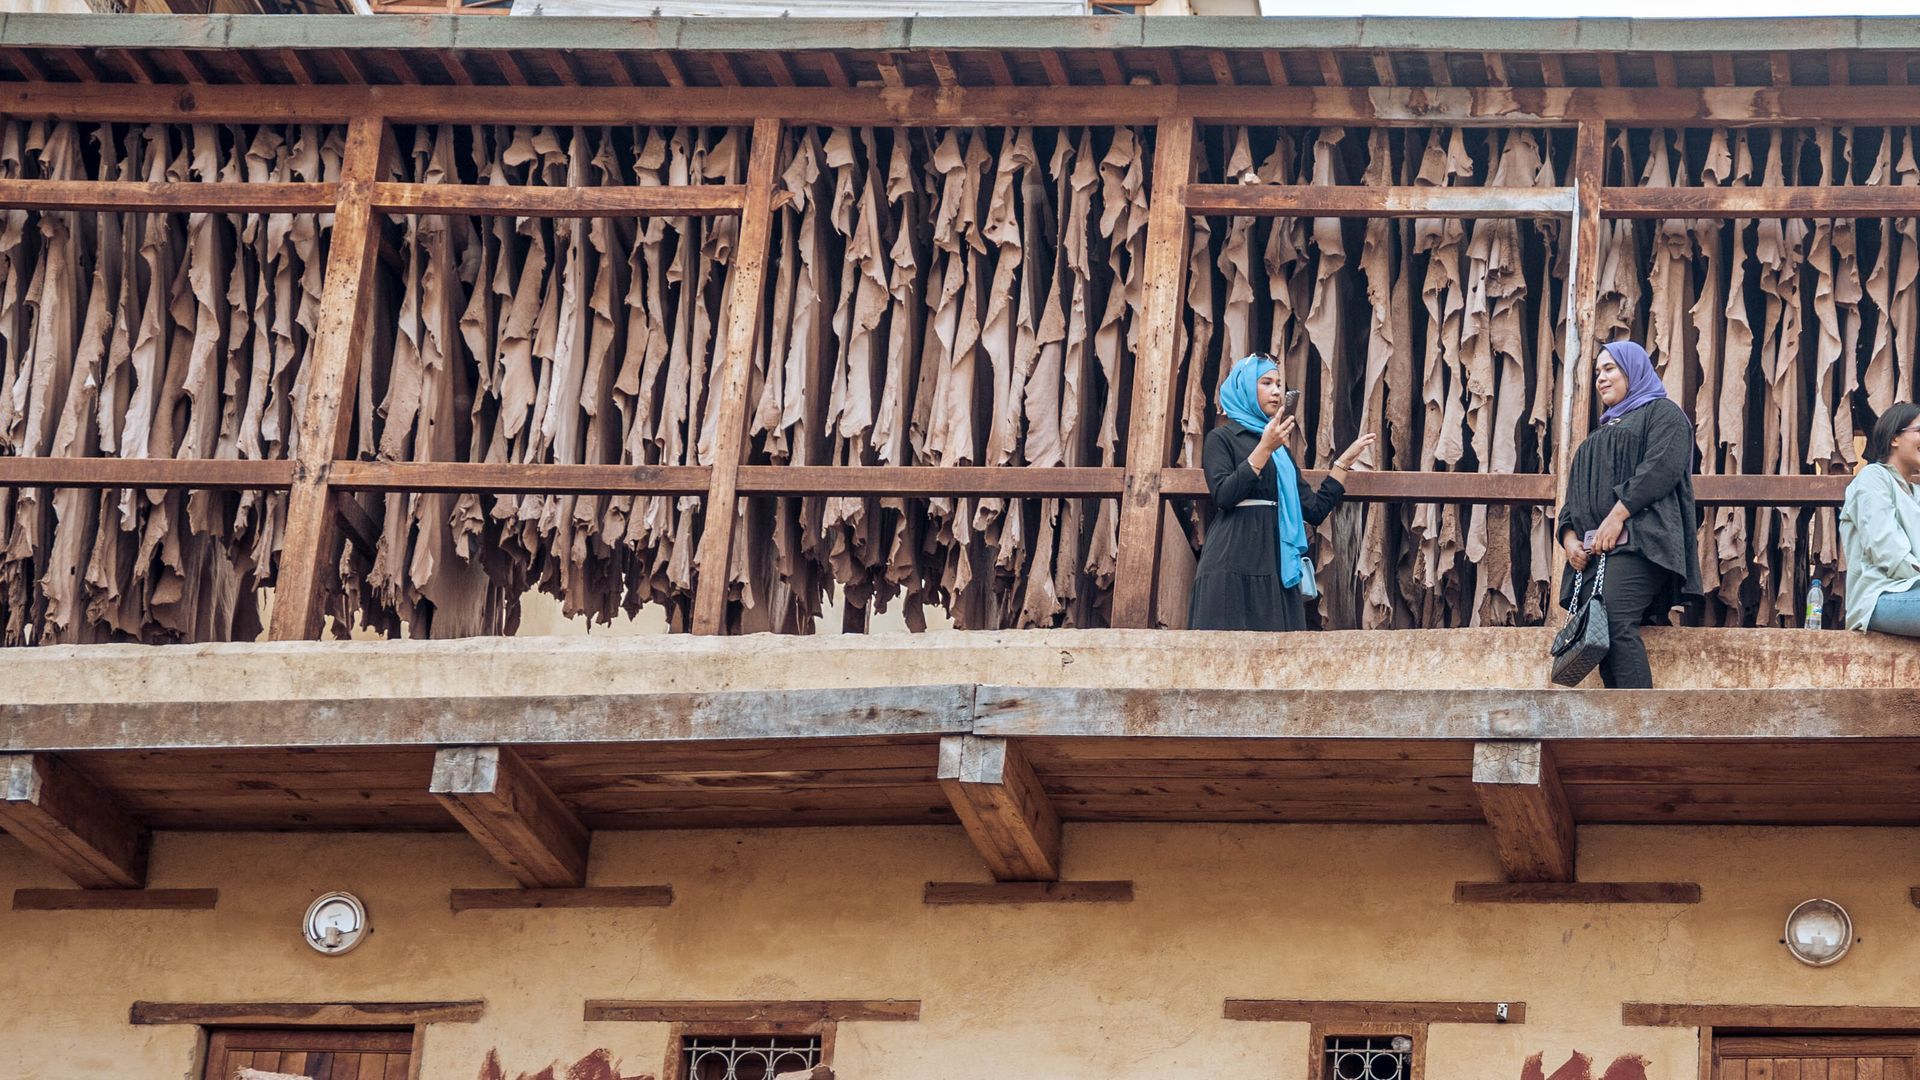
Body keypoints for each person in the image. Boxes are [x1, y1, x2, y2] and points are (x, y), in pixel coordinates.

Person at [1188, 353, 1378, 631]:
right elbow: (1224, 495)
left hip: (1276, 560)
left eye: (1279, 384)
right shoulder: (1222, 439)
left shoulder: (1280, 451)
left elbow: (1313, 510)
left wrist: (1343, 463)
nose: (1277, 391)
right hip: (1231, 558)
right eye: (1266, 382)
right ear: (1244, 388)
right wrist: (1265, 447)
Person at [1556, 340, 1702, 688]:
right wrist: (1569, 539)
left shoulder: (1663, 414)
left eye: (1609, 369)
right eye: (1597, 373)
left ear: (1633, 371)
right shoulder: (1599, 434)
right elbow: (1573, 499)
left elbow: (1660, 469)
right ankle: (1619, 727)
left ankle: (1640, 727)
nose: (1601, 379)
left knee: (1615, 621)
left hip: (1640, 544)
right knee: (1598, 635)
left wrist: (1617, 515)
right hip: (1595, 555)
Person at [1839, 402, 1920, 637]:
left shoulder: (1916, 494)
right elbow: (1886, 550)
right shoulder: (1873, 479)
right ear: (1895, 438)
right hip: (1880, 598)